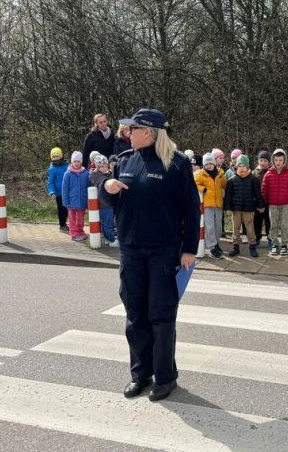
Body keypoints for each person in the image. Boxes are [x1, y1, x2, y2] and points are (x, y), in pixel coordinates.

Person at [100, 108, 199, 402]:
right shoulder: (125, 161)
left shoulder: (177, 164)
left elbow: (191, 210)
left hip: (164, 251)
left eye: (133, 129)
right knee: (134, 315)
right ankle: (140, 374)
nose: (128, 134)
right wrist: (106, 186)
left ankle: (166, 377)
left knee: (161, 315)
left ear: (150, 132)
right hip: (131, 250)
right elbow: (109, 201)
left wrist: (189, 250)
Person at [261, 148, 288, 256]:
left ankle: (284, 245)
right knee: (273, 225)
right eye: (276, 160)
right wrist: (262, 203)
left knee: (284, 225)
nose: (278, 162)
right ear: (273, 161)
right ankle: (274, 244)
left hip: (285, 204)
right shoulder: (268, 174)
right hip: (273, 204)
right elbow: (264, 190)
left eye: (280, 160)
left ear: (284, 161)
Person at [223, 155, 265, 257]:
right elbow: (228, 195)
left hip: (248, 208)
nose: (242, 168)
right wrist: (227, 208)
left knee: (250, 228)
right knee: (236, 228)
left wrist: (261, 205)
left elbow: (258, 194)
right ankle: (235, 246)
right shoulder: (232, 180)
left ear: (248, 167)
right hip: (236, 209)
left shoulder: (253, 180)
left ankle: (252, 246)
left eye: (244, 166)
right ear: (236, 167)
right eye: (240, 166)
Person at [195, 153, 227, 258]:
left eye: (210, 163)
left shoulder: (221, 173)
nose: (209, 165)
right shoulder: (201, 174)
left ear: (214, 163)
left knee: (218, 226)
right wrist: (202, 189)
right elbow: (195, 183)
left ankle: (216, 243)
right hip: (208, 204)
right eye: (206, 164)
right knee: (209, 226)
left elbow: (225, 184)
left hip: (218, 204)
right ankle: (212, 246)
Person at [89, 154, 117, 246]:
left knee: (106, 222)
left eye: (106, 166)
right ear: (97, 167)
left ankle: (107, 238)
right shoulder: (99, 177)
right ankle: (112, 240)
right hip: (105, 203)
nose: (105, 168)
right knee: (108, 223)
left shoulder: (104, 175)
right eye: (102, 166)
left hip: (106, 202)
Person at [61, 151, 89, 242]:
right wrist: (65, 201)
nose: (76, 163)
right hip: (71, 201)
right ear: (72, 162)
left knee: (81, 218)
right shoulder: (67, 174)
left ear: (81, 162)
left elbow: (88, 187)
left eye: (78, 161)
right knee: (72, 219)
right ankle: (74, 234)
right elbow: (64, 189)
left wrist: (88, 200)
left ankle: (80, 231)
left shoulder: (85, 173)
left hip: (82, 200)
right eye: (75, 161)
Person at [252, 150, 272, 250]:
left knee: (269, 222)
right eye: (261, 160)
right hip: (257, 203)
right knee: (257, 222)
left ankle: (270, 239)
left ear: (269, 162)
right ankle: (257, 239)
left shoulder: (272, 172)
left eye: (265, 161)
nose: (263, 162)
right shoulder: (253, 173)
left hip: (269, 202)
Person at [46, 148, 69, 232]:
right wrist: (52, 192)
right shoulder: (52, 169)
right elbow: (50, 182)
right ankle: (62, 225)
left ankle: (67, 223)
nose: (56, 158)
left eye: (57, 156)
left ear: (61, 156)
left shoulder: (67, 165)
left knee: (67, 209)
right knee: (61, 209)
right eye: (54, 156)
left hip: (68, 191)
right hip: (58, 193)